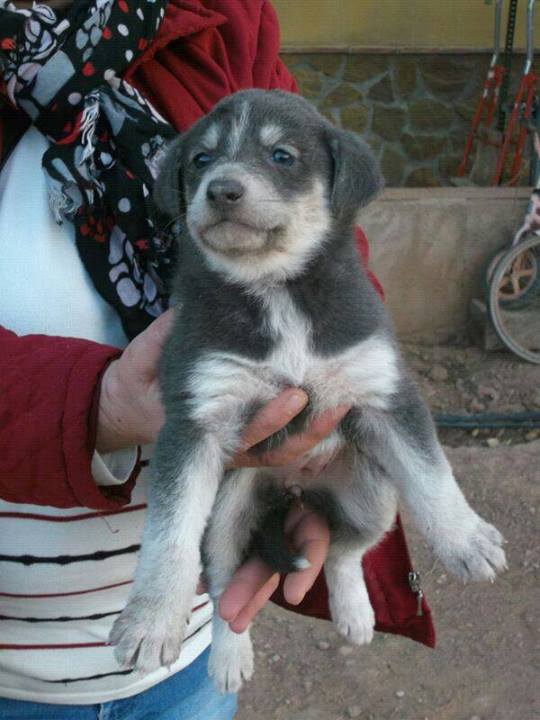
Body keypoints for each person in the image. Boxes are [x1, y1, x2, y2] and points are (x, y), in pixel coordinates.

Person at [0, 1, 434, 718]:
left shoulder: (214, 15)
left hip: (187, 655)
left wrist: (316, 429)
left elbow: (322, 226)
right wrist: (98, 405)